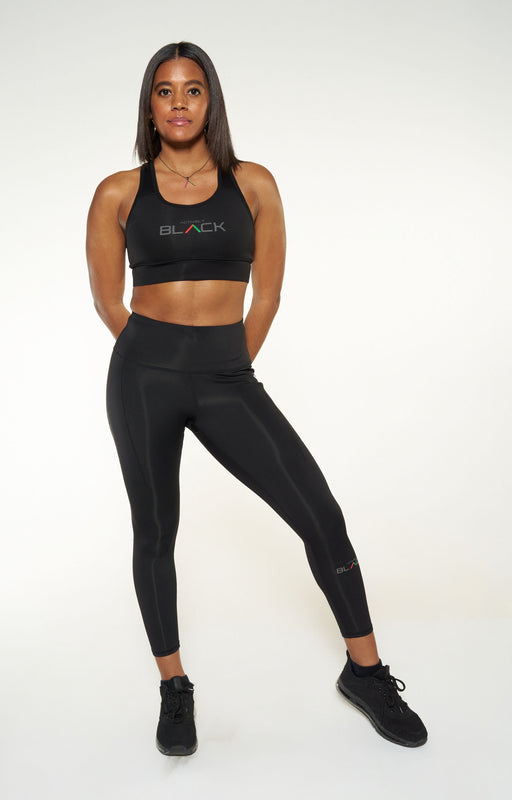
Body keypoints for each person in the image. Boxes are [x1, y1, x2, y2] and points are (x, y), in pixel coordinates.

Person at [86, 41, 427, 756]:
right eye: (165, 90)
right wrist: (158, 353)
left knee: (321, 516)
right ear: (149, 105)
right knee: (156, 531)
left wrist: (222, 364)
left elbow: (266, 295)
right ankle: (174, 687)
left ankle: (366, 674)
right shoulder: (117, 191)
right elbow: (108, 301)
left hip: (226, 376)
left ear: (211, 101)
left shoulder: (253, 183)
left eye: (193, 89)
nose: (179, 102)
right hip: (142, 376)